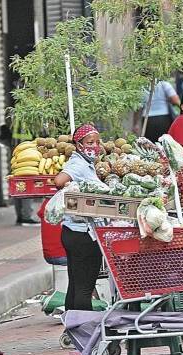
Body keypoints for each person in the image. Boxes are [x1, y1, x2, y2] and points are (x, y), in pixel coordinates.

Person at [53, 124, 104, 311]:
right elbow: (59, 181)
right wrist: (75, 190)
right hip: (82, 234)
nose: (95, 146)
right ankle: (85, 330)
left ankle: (73, 329)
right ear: (79, 145)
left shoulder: (87, 164)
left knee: (75, 284)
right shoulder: (78, 164)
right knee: (84, 287)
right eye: (90, 142)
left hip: (73, 231)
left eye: (98, 142)